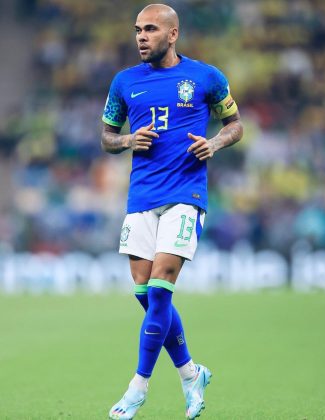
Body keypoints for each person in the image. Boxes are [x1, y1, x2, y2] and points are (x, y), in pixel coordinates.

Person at [101, 3, 243, 419]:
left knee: (162, 285)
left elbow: (236, 124)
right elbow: (107, 136)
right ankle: (190, 374)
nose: (141, 36)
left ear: (172, 33)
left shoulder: (205, 77)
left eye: (149, 29)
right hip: (141, 197)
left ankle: (137, 388)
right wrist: (128, 141)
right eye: (137, 30)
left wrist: (214, 143)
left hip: (185, 193)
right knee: (145, 293)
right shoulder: (125, 82)